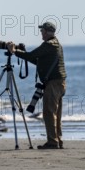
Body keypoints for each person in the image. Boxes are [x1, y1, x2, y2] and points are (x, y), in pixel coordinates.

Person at [7, 22, 67, 150]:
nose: (41, 34)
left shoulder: (49, 45)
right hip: (59, 83)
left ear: (46, 32)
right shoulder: (57, 44)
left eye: (42, 31)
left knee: (49, 113)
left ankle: (52, 142)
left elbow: (32, 56)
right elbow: (37, 61)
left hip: (53, 84)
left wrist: (14, 51)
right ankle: (58, 140)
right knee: (56, 113)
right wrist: (20, 53)